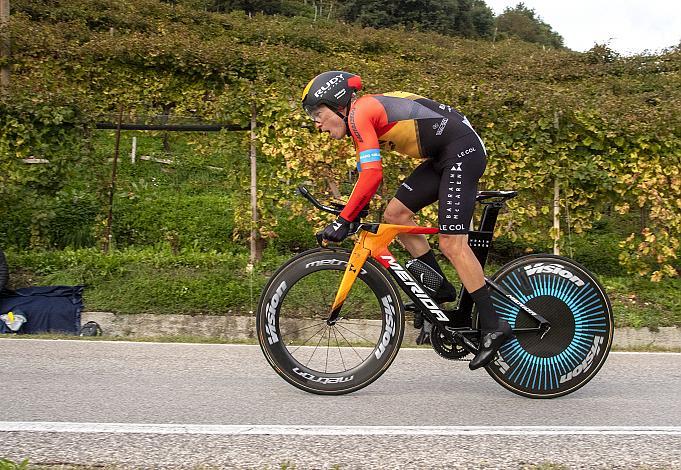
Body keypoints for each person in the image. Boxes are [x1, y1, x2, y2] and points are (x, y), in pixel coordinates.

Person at [301, 71, 513, 370]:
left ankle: (494, 325)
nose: (317, 124)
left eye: (319, 115)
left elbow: (373, 175)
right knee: (395, 215)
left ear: (338, 105)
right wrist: (349, 214)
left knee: (452, 243)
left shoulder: (359, 113)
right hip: (442, 156)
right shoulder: (360, 115)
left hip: (461, 152)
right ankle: (439, 289)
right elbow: (367, 177)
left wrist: (345, 219)